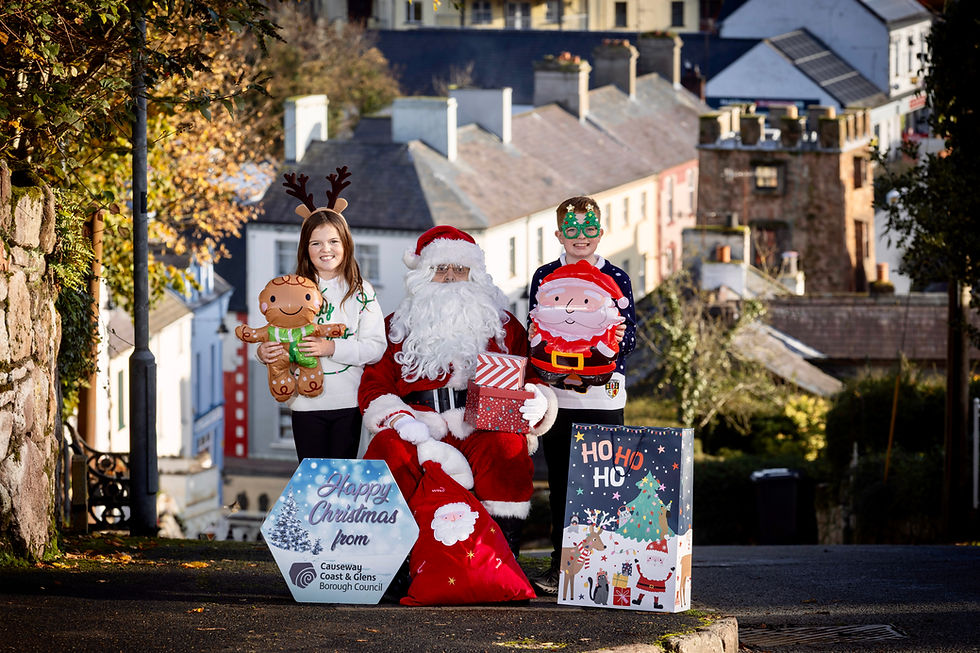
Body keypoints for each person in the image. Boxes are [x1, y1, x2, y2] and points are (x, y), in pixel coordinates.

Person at [359, 225, 558, 558]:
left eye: (459, 269)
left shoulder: (504, 326)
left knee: (506, 446)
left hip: (480, 422)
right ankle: (391, 559)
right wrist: (401, 420)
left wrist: (537, 402)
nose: (450, 277)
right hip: (417, 423)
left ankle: (500, 556)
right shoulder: (396, 326)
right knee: (389, 449)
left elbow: (533, 375)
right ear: (423, 275)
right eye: (440, 269)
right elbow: (375, 384)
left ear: (475, 275)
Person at [527, 196, 636, 596]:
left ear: (600, 233)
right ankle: (561, 570)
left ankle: (603, 571)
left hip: (603, 399)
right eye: (571, 230)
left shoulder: (618, 277)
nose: (580, 237)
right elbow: (534, 327)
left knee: (605, 484)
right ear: (558, 234)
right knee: (560, 483)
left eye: (589, 229)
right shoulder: (543, 275)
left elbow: (632, 337)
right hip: (557, 400)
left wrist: (615, 345)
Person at [257, 209, 386, 462]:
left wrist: (331, 348)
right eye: (316, 243)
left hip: (348, 403)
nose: (325, 249)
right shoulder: (290, 289)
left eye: (333, 241)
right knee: (311, 483)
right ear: (305, 248)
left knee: (341, 482)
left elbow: (376, 347)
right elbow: (274, 334)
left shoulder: (361, 291)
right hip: (305, 404)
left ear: (346, 244)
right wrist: (262, 353)